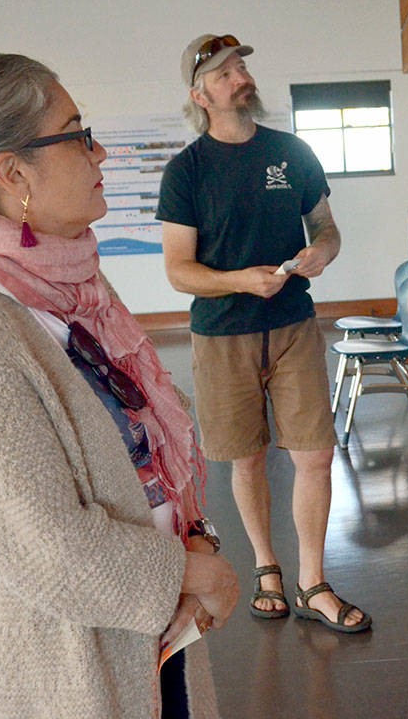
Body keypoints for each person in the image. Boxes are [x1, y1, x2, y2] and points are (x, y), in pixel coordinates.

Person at [0, 53, 238, 718]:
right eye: (78, 133)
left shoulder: (72, 283)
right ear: (13, 172)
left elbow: (140, 446)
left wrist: (194, 537)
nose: (100, 151)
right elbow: (44, 548)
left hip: (150, 638)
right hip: (59, 675)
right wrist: (190, 573)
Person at [155, 34, 370, 634]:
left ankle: (314, 581)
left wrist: (322, 252)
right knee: (245, 462)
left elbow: (326, 226)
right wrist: (239, 281)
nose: (240, 77)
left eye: (242, 66)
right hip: (223, 336)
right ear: (200, 96)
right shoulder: (186, 172)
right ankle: (267, 569)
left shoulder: (291, 152)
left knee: (315, 455)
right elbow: (179, 271)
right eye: (225, 73)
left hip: (294, 325)